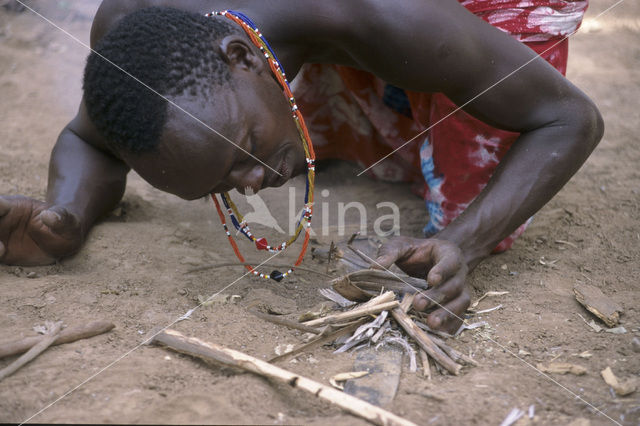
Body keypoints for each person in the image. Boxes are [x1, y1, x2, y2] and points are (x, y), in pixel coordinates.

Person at [0, 0, 603, 333]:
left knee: (476, 183)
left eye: (240, 156)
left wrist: (464, 242)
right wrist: (69, 213)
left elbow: (567, 119)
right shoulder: (133, 31)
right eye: (219, 186)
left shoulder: (393, 18)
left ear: (241, 56)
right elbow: (91, 138)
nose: (255, 184)